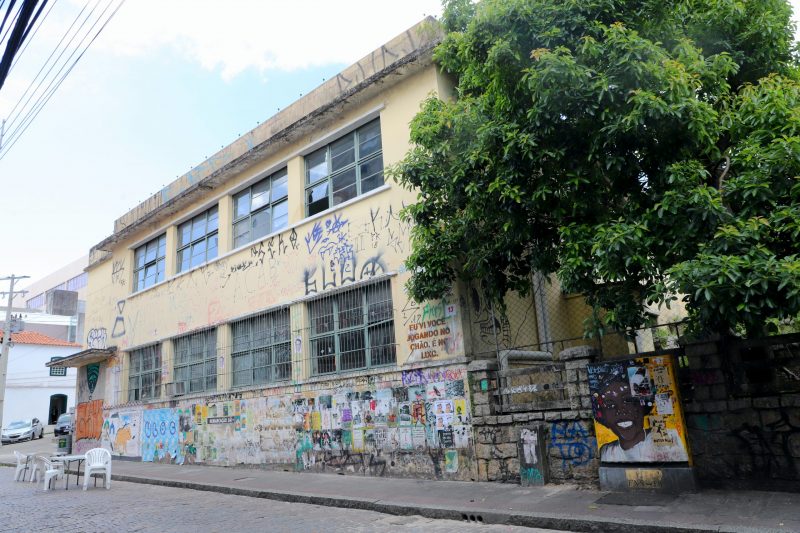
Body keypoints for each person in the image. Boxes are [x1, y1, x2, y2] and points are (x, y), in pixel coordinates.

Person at [592, 368, 688, 462]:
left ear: (643, 404)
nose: (620, 410)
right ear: (602, 415)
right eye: (610, 405)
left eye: (628, 400)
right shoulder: (607, 453)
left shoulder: (669, 438)